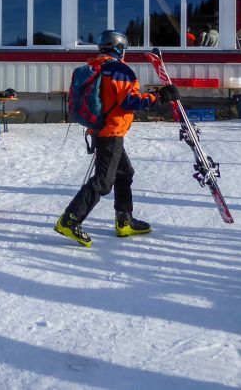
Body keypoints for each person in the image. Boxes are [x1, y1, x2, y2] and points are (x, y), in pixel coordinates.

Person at [55, 30, 179, 247]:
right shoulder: (119, 69)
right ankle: (70, 219)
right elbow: (130, 101)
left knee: (124, 172)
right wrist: (159, 96)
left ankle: (124, 220)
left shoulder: (96, 66)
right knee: (103, 181)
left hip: (101, 128)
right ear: (121, 48)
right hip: (110, 132)